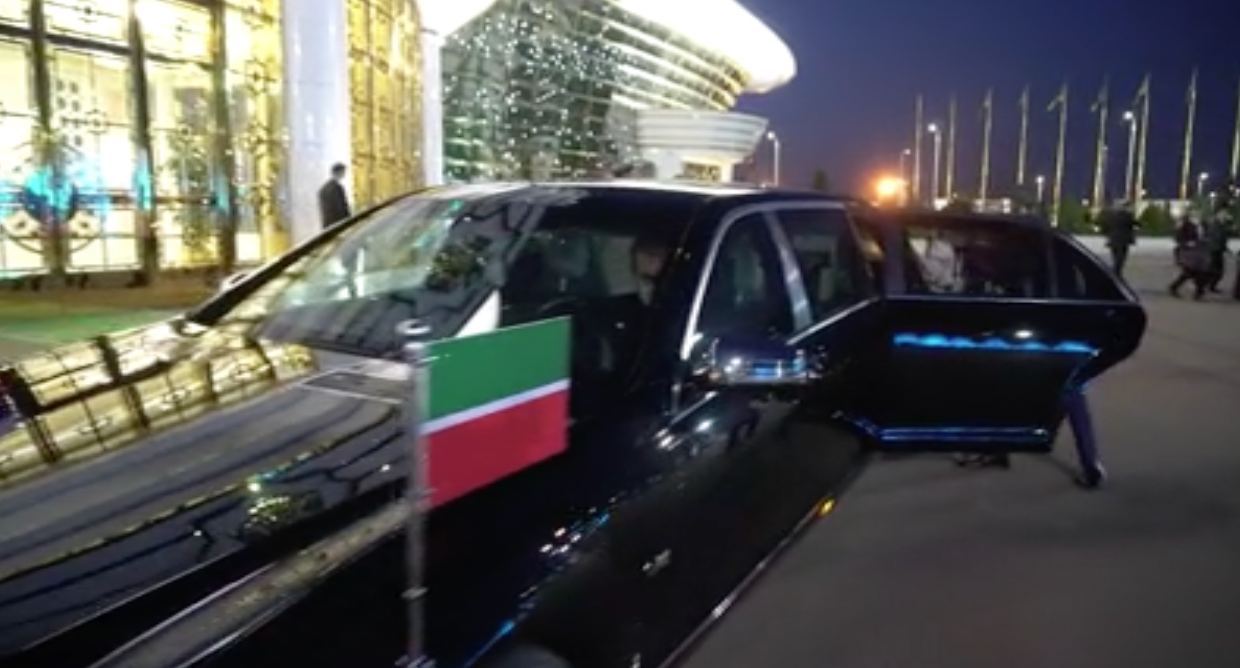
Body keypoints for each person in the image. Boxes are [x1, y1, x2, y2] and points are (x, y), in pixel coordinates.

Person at [1169, 215, 1208, 299]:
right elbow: (1178, 238)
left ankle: (1198, 292)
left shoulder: (1202, 225)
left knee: (1192, 273)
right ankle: (1198, 292)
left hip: (1197, 253)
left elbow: (1203, 237)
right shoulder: (1186, 225)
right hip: (1187, 253)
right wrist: (1187, 243)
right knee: (1192, 272)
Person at [1101, 206, 1139, 279]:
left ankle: (1116, 272)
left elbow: (1104, 227)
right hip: (1124, 241)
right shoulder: (1128, 216)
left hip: (1113, 240)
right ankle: (1116, 272)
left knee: (1115, 256)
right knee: (1121, 257)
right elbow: (1135, 224)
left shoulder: (1111, 216)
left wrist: (1107, 234)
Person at [317, 163, 351, 229]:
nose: (344, 174)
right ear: (338, 172)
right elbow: (341, 208)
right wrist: (349, 221)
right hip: (338, 224)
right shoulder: (337, 188)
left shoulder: (323, 189)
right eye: (343, 172)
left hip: (328, 225)